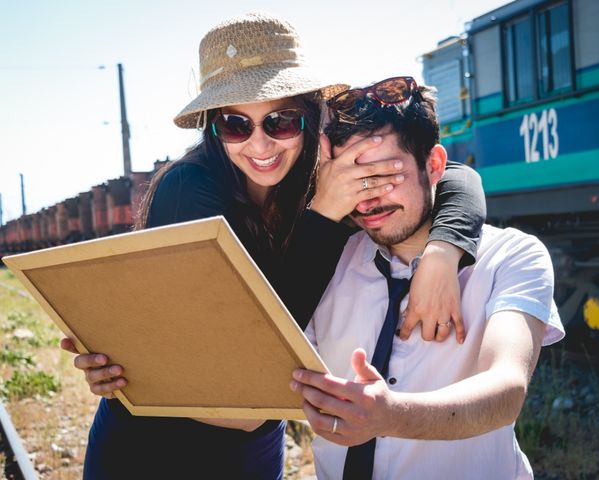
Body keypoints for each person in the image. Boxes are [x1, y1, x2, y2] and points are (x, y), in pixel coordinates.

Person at [61, 14, 486, 480]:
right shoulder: (189, 192)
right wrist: (323, 213)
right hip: (156, 443)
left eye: (281, 121)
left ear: (310, 117)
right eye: (235, 124)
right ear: (212, 128)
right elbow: (247, 349)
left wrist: (444, 252)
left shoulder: (318, 174)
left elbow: (450, 174)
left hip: (252, 442)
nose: (260, 144)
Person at [289, 77, 566, 479]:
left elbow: (506, 388)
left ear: (434, 165)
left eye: (386, 175)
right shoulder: (327, 261)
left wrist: (388, 416)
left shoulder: (510, 256)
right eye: (352, 180)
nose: (368, 198)